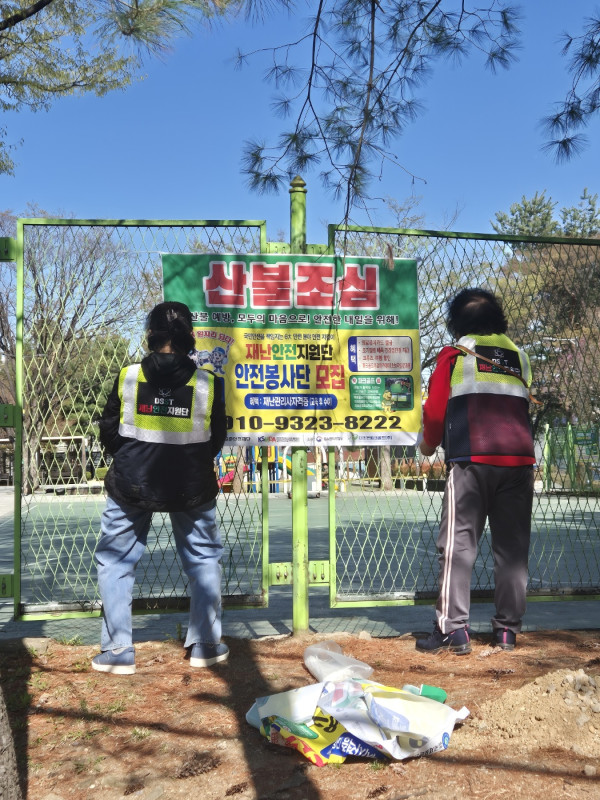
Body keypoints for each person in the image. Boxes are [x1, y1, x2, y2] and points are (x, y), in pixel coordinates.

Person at [92, 301, 228, 675]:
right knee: (203, 557)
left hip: (131, 482)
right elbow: (217, 438)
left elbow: (108, 429)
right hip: (191, 484)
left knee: (116, 560)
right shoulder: (209, 383)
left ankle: (118, 651)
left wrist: (130, 457)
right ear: (190, 337)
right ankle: (205, 644)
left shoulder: (128, 376)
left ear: (150, 335)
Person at [416, 288, 535, 655]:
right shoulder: (520, 356)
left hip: (471, 459)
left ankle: (452, 629)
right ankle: (507, 631)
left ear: (457, 323)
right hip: (518, 461)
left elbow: (435, 411)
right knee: (512, 549)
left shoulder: (454, 355)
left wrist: (427, 446)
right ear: (498, 319)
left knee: (458, 545)